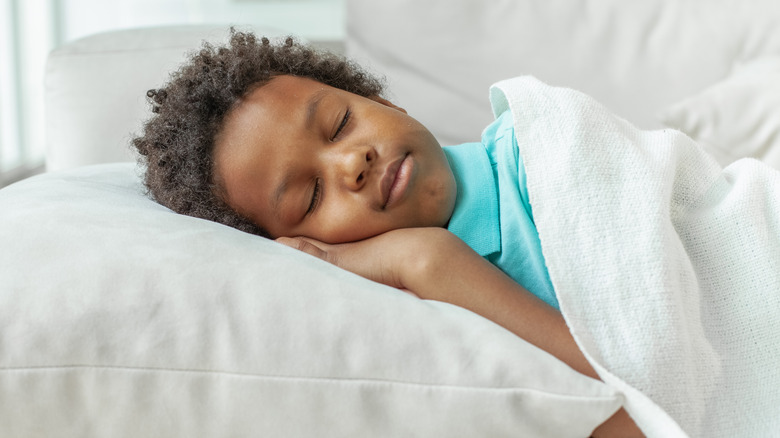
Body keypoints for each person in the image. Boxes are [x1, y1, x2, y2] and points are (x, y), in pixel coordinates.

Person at [133, 30, 642, 437]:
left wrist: (427, 258)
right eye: (310, 197)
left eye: (340, 124)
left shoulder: (535, 144)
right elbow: (623, 405)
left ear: (381, 101)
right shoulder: (406, 315)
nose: (353, 161)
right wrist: (413, 262)